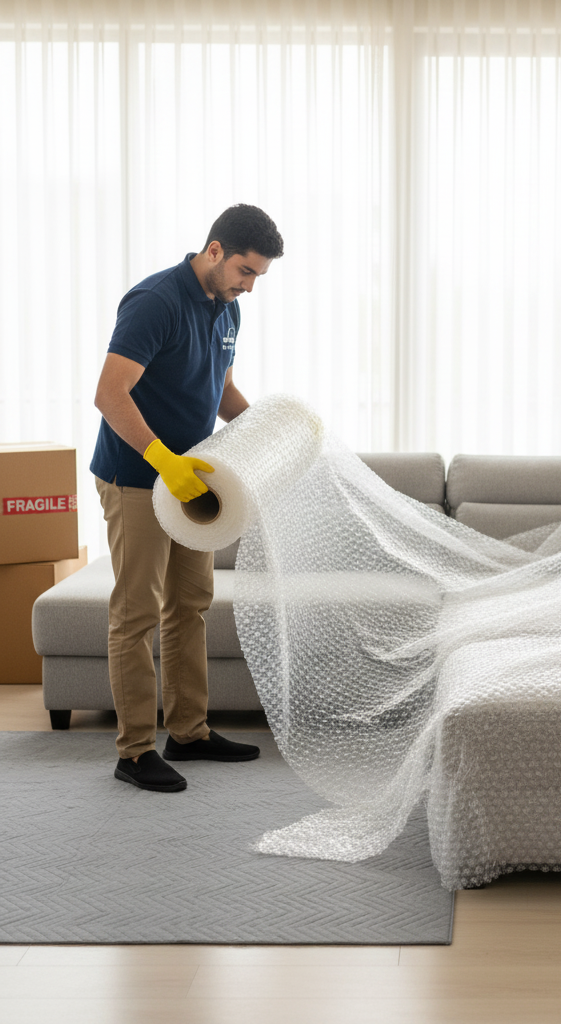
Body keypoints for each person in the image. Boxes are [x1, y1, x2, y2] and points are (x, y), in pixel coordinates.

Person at [91, 203, 284, 792]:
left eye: (258, 278)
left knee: (191, 604)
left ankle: (190, 732)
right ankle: (134, 751)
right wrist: (162, 463)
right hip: (136, 477)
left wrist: (264, 429)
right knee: (137, 613)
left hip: (193, 485)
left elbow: (219, 388)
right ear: (216, 249)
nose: (249, 287)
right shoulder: (155, 302)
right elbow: (109, 394)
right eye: (246, 272)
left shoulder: (227, 311)